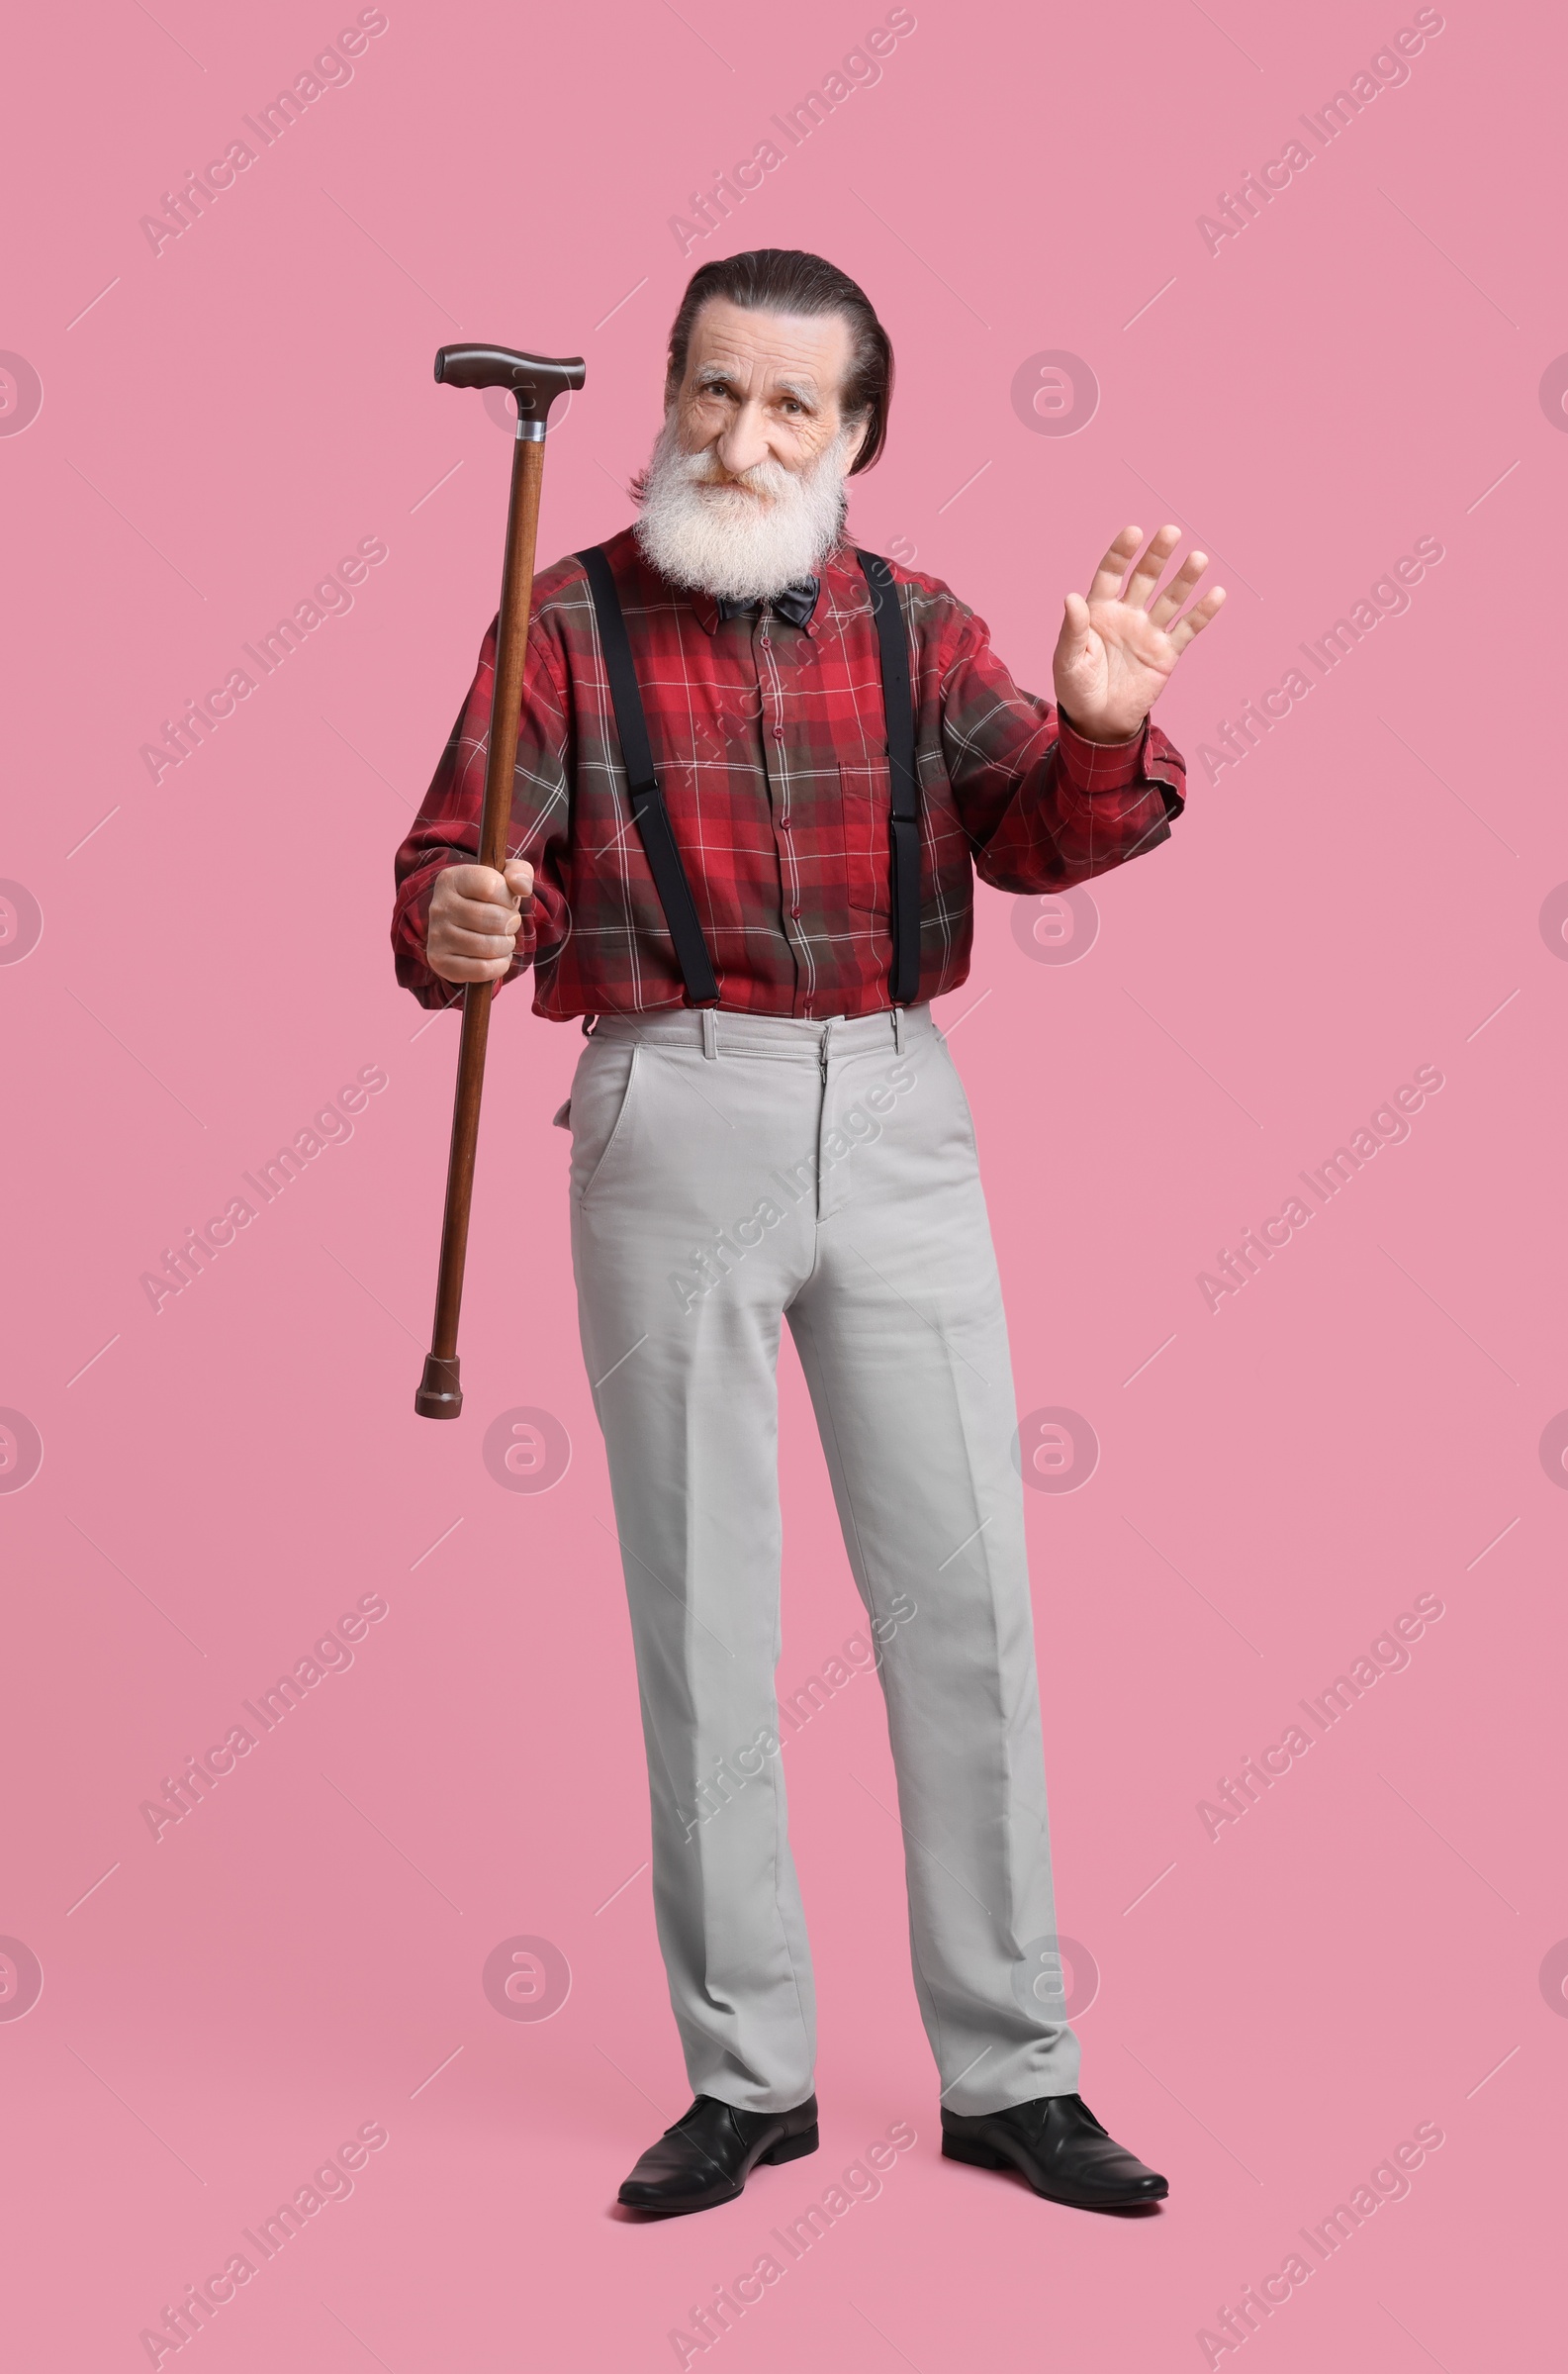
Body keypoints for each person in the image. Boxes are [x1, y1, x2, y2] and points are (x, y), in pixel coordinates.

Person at [392, 247, 1225, 2218]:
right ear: (661, 403)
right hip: (664, 1102)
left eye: (793, 408)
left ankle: (1008, 2074)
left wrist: (1094, 725)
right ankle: (746, 2074)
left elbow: (1031, 833)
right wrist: (456, 924)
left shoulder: (919, 629)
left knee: (967, 1604)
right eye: (710, 394)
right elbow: (450, 869)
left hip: (899, 1110)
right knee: (700, 1612)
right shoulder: (562, 627)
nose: (743, 437)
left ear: (853, 437)